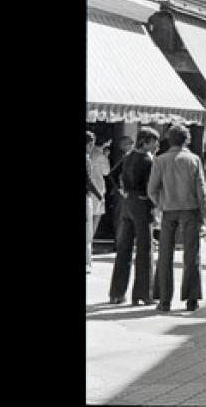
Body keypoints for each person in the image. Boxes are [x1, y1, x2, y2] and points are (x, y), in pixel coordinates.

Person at [147, 125, 206, 313]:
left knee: (165, 255)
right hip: (190, 210)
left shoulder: (160, 160)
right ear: (187, 139)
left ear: (169, 139)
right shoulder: (194, 160)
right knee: (191, 254)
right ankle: (191, 299)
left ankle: (164, 300)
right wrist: (203, 214)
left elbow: (151, 189)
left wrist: (161, 203)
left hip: (169, 211)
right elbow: (201, 191)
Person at [108, 129, 157, 304]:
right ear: (145, 142)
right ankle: (143, 293)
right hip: (142, 205)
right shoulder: (148, 160)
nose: (156, 145)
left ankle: (116, 293)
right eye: (154, 142)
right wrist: (153, 202)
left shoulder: (128, 157)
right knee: (144, 250)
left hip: (127, 204)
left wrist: (123, 192)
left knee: (124, 249)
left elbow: (112, 175)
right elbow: (151, 187)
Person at [86, 133, 104, 274]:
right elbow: (88, 181)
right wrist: (98, 195)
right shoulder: (87, 159)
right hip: (87, 196)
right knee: (88, 230)